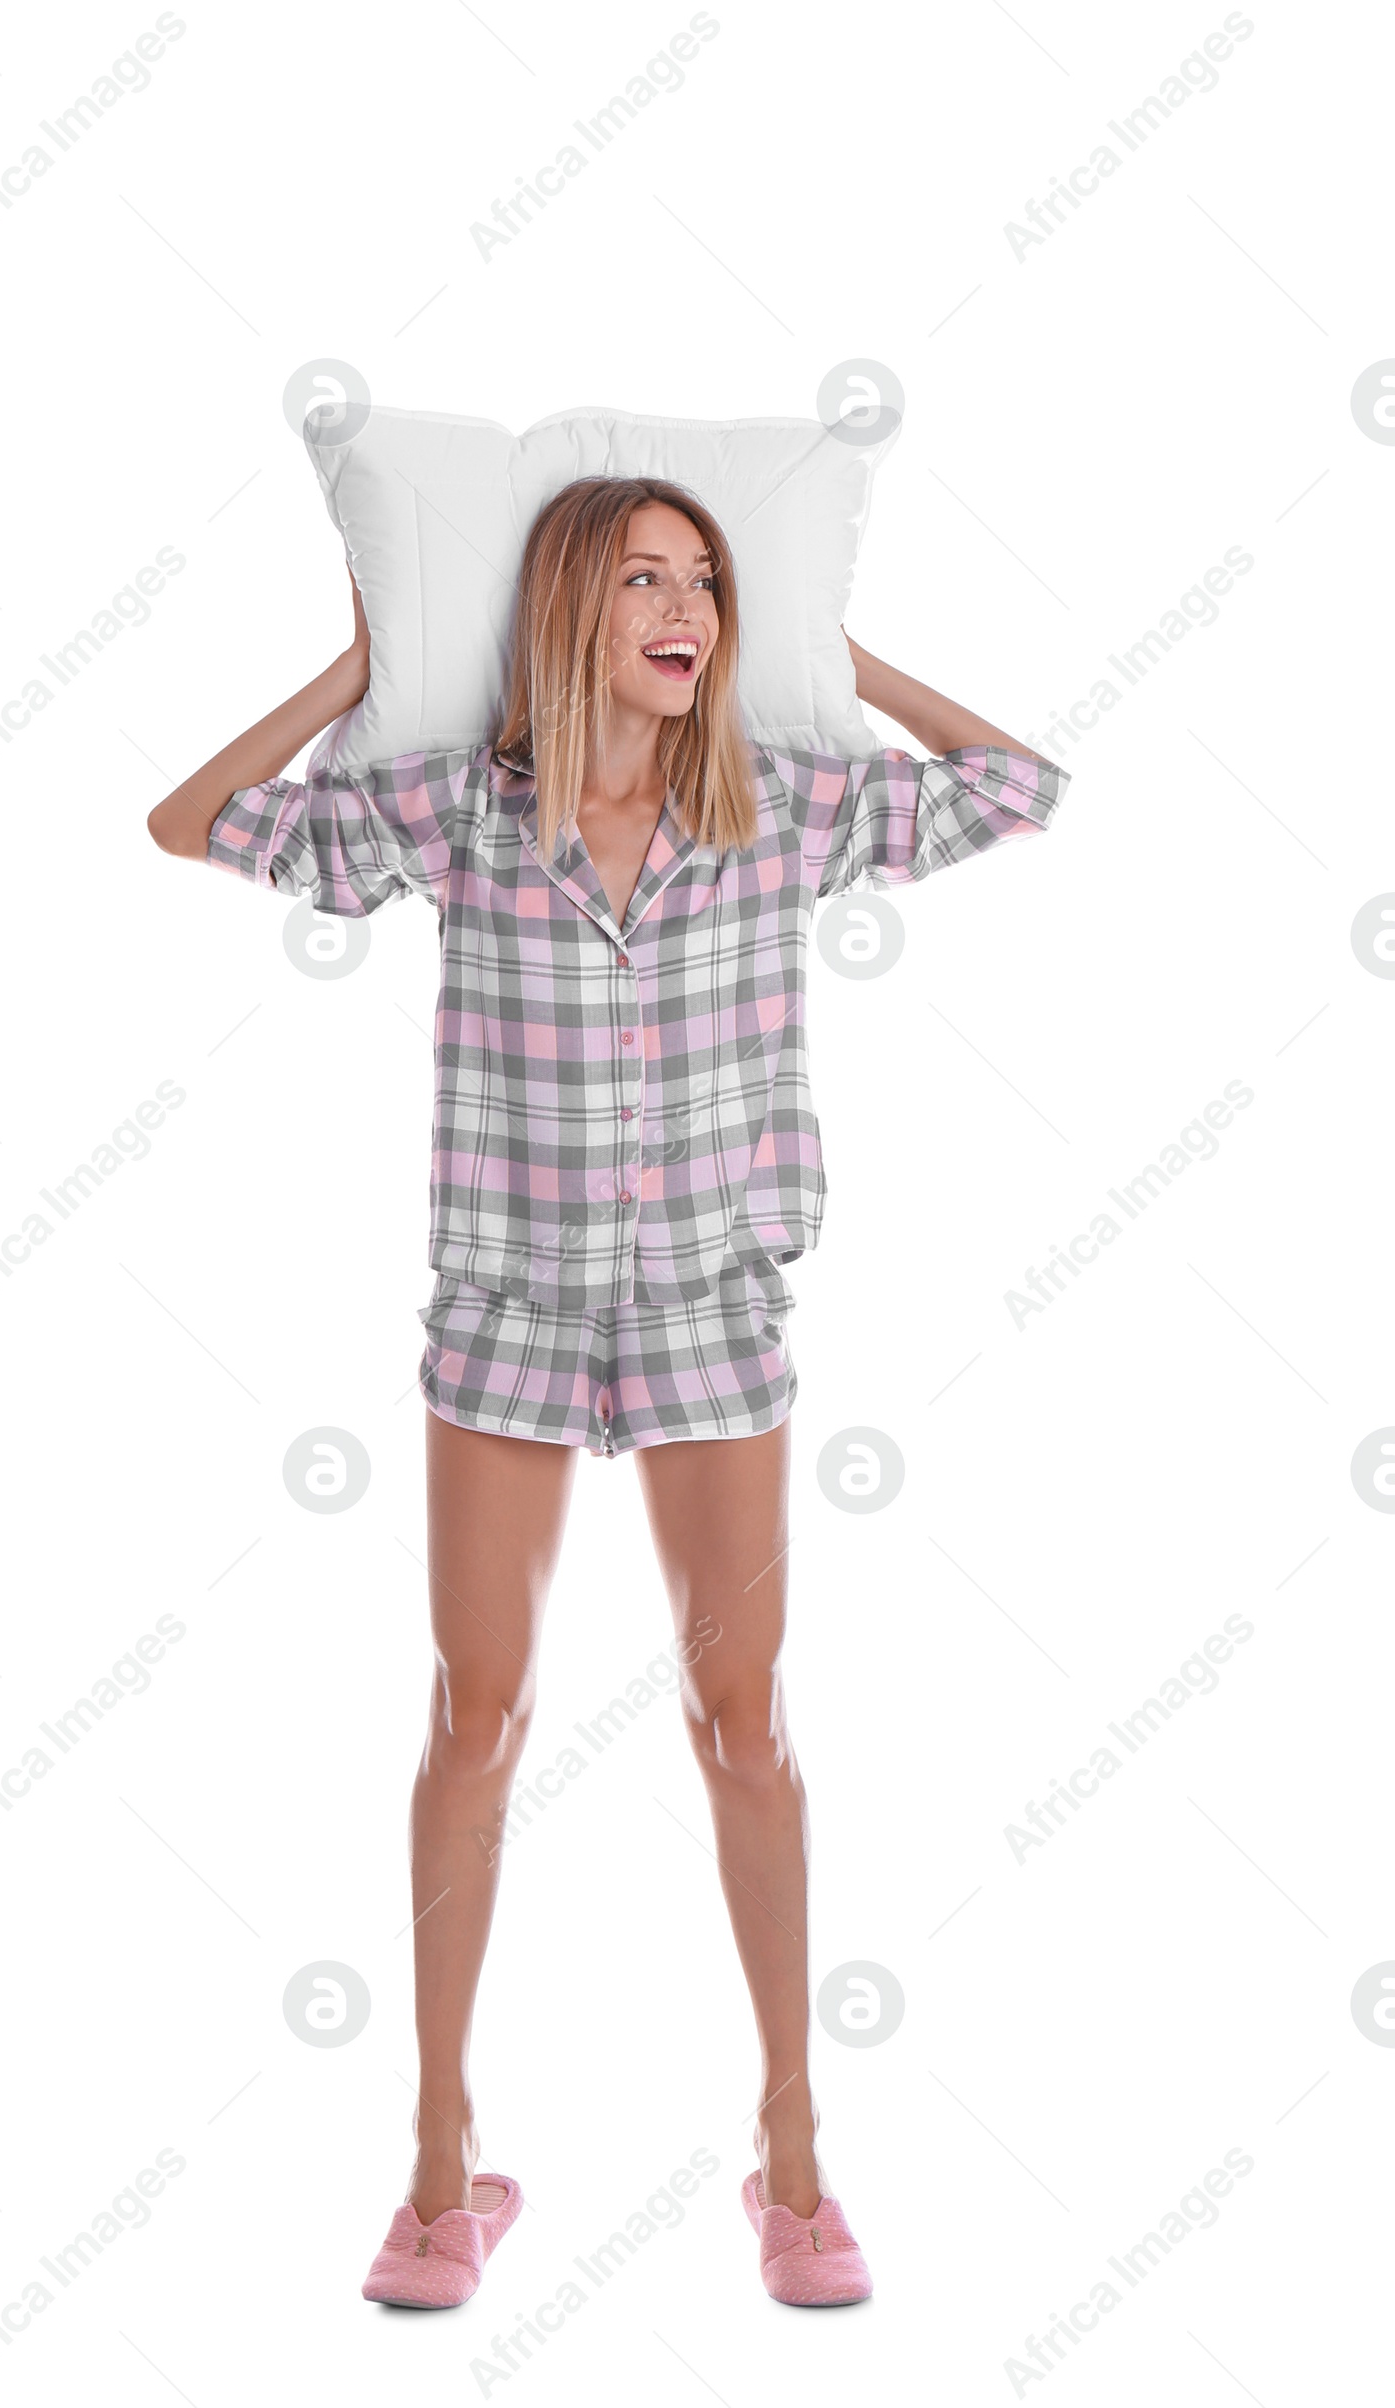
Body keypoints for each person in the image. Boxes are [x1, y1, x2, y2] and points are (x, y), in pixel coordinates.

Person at [148, 474, 1069, 2308]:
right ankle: (437, 2164)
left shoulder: (780, 803)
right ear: (574, 605)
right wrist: (354, 672)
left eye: (714, 581)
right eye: (648, 576)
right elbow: (191, 820)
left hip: (713, 1317)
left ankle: (794, 2160)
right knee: (475, 1716)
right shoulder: (461, 814)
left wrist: (833, 650)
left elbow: (1025, 785)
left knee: (745, 1720)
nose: (689, 608)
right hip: (507, 1316)